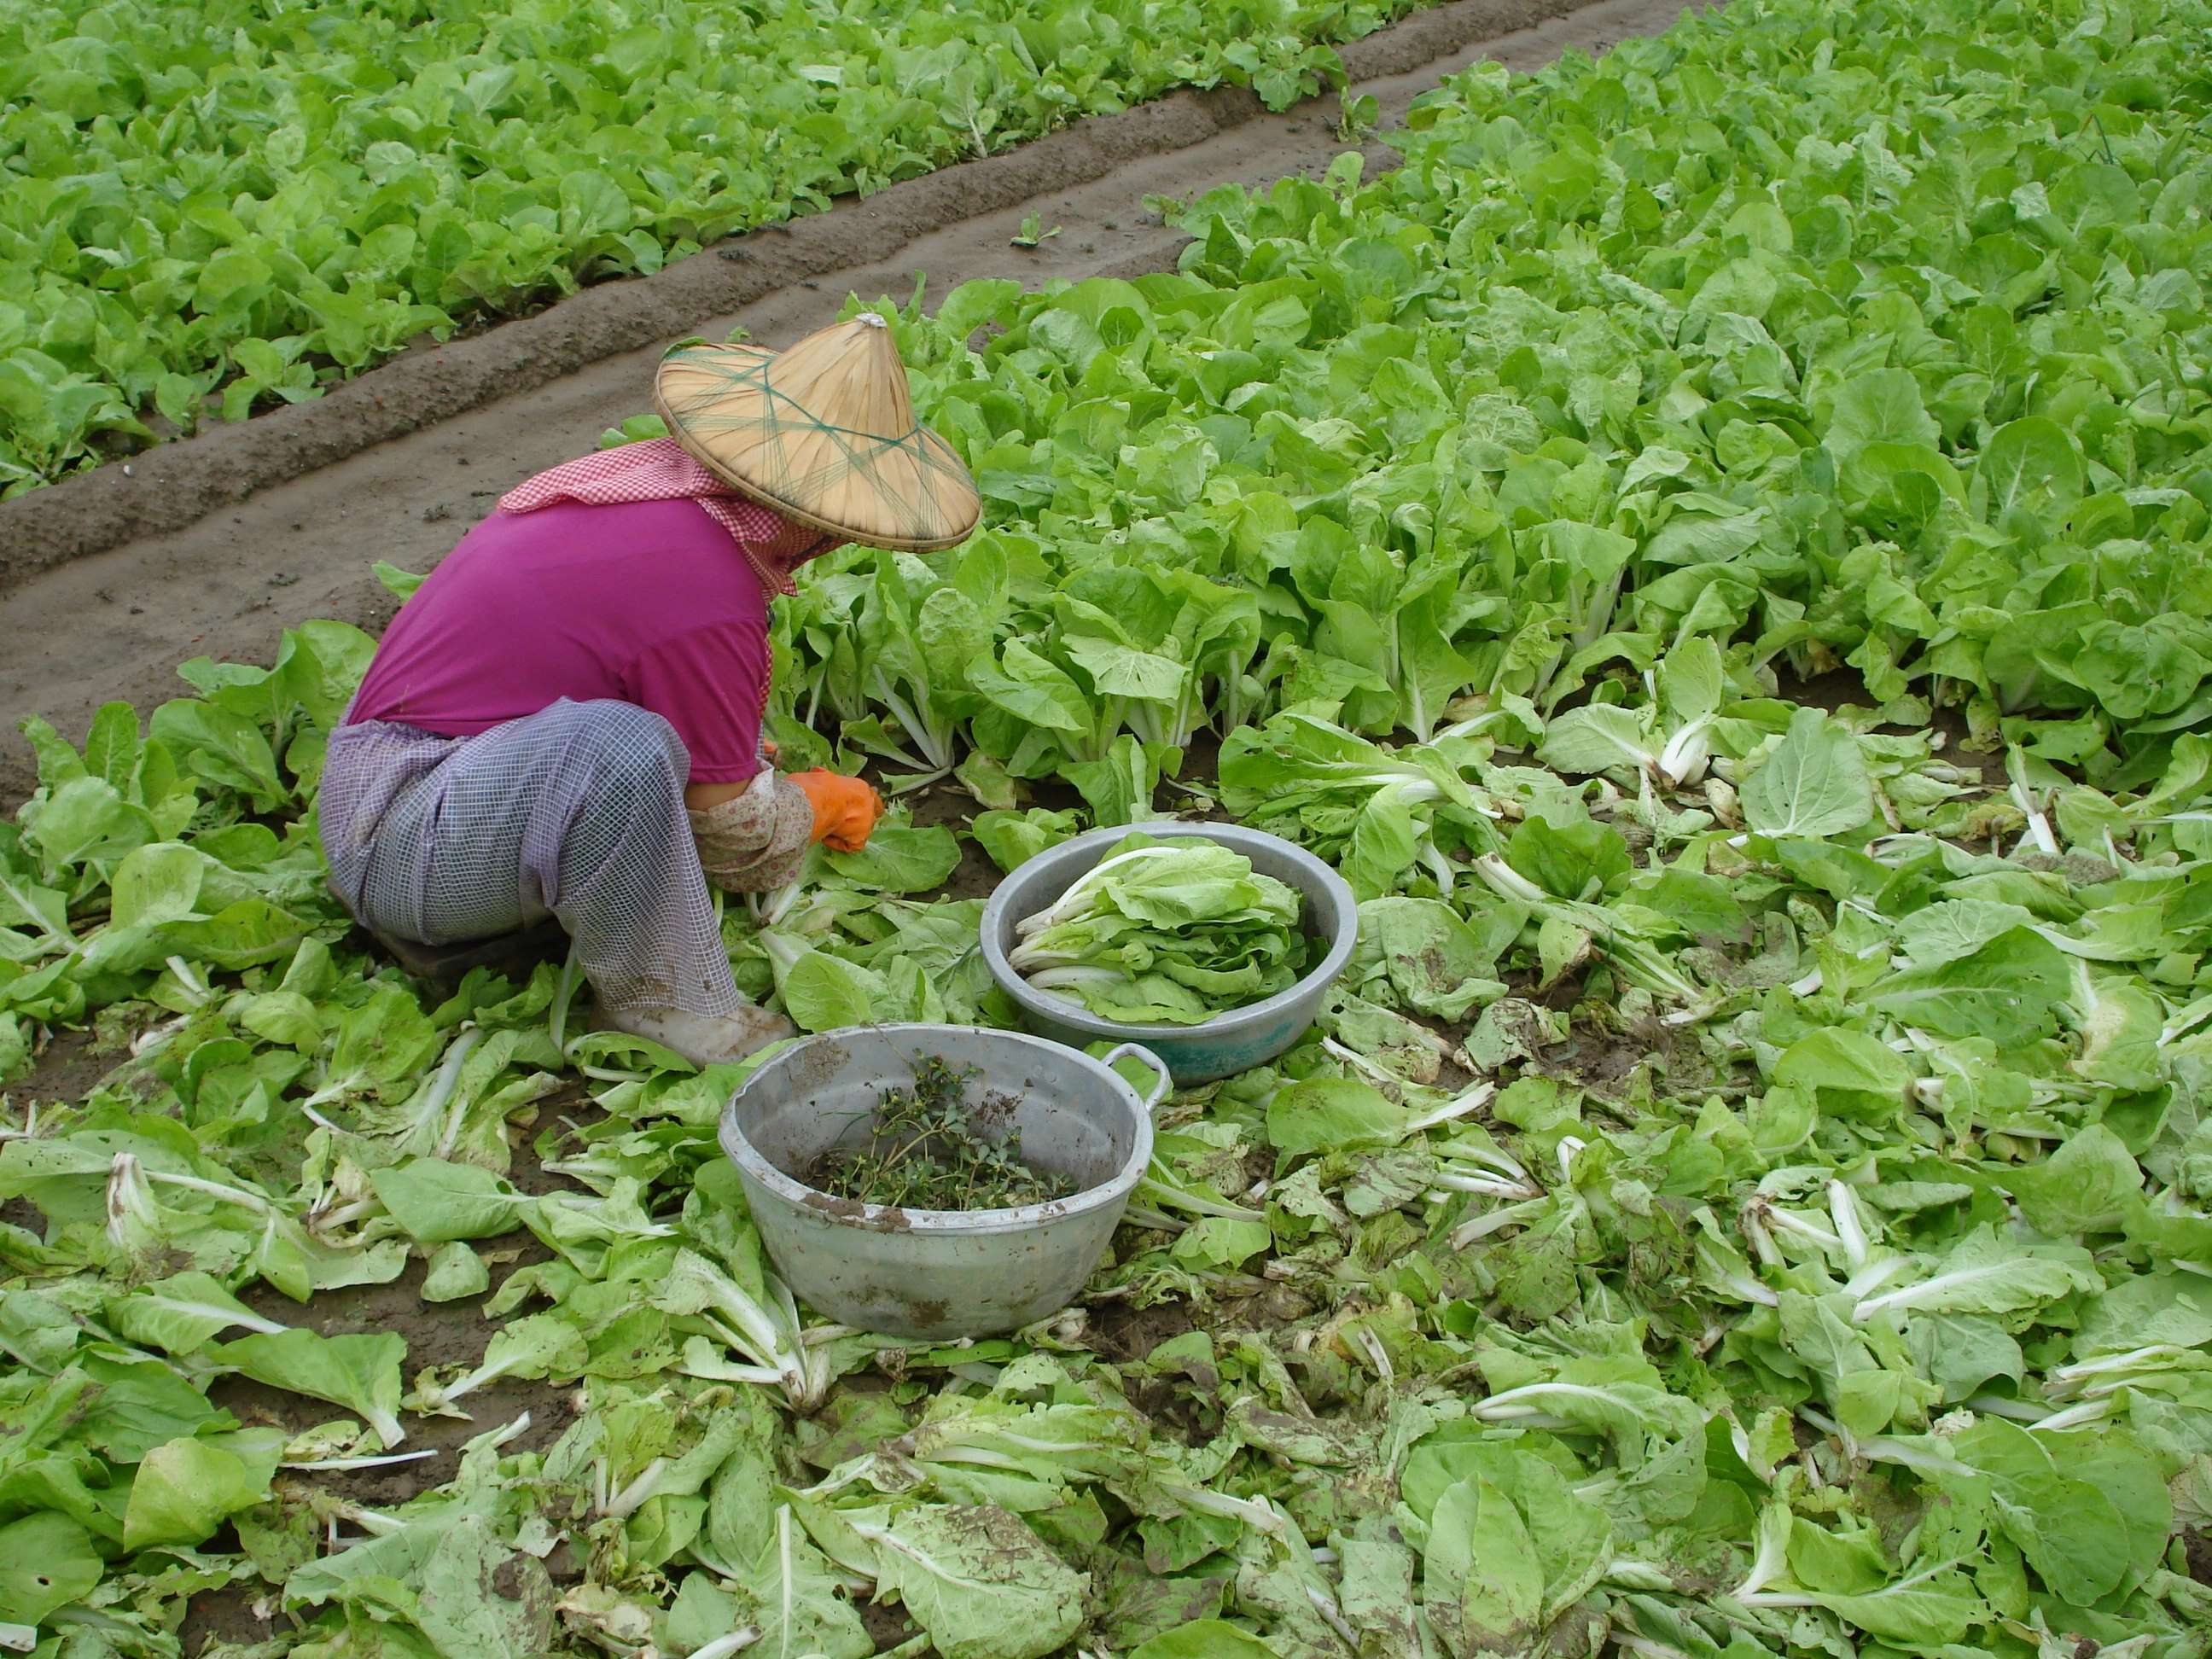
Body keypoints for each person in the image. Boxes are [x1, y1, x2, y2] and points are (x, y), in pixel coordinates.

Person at [319, 312, 981, 1063]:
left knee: (647, 747)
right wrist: (819, 799)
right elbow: (738, 847)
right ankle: (666, 1007)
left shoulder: (650, 496)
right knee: (623, 748)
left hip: (395, 785)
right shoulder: (702, 586)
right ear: (815, 519)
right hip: (406, 849)